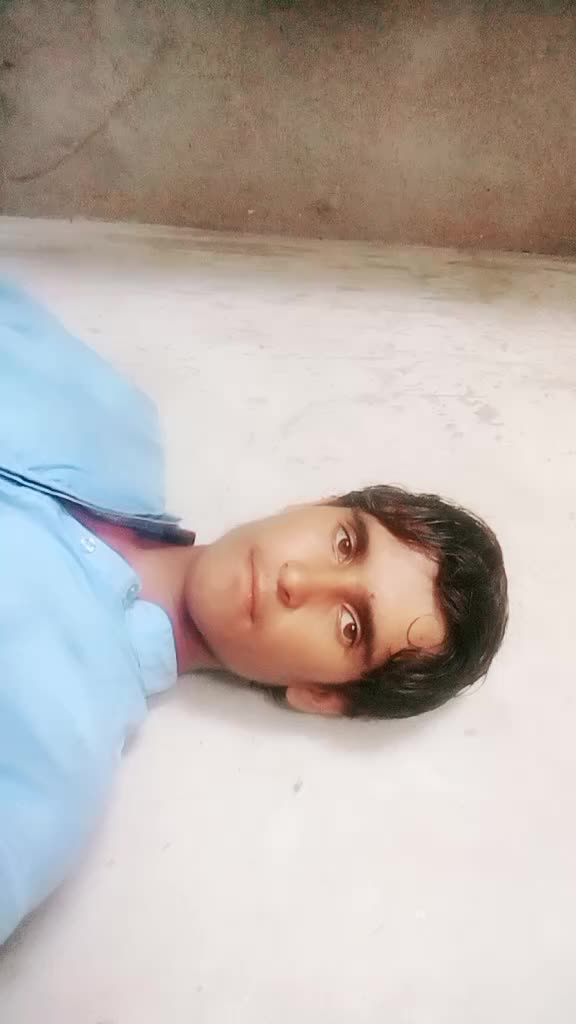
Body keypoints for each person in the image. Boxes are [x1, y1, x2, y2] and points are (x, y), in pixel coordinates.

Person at [0, 279, 508, 944]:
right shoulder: (114, 417)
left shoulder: (52, 771)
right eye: (345, 542)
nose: (297, 580)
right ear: (319, 503)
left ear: (323, 694)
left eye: (350, 626)